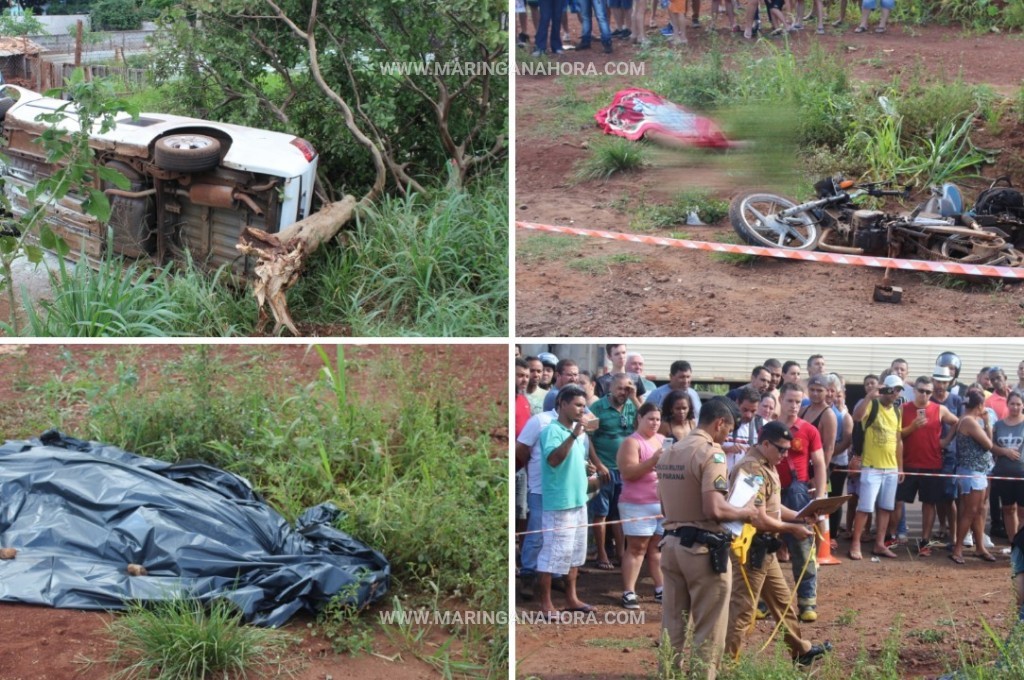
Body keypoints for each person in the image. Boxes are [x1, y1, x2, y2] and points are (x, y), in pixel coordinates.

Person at [657, 397, 758, 680]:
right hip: (702, 550)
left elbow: (665, 507)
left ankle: (668, 675)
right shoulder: (711, 454)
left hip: (671, 544)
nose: (728, 436)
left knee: (673, 623)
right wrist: (745, 511)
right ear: (719, 423)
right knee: (709, 627)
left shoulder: (669, 451)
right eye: (729, 430)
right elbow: (713, 508)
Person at [724, 421, 832, 667]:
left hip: (765, 548)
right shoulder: (750, 469)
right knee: (743, 610)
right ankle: (725, 666)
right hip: (750, 549)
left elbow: (772, 507)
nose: (785, 455)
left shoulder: (766, 464)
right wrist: (792, 528)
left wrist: (800, 515)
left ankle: (800, 651)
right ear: (764, 444)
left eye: (787, 450)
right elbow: (757, 518)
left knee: (783, 603)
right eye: (781, 449)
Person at [536, 387, 596, 616]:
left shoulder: (577, 433)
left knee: (575, 553)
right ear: (561, 404)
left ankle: (572, 598)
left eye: (584, 405)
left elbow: (570, 460)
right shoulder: (552, 431)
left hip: (579, 500)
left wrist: (585, 466)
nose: (582, 409)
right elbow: (553, 460)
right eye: (578, 405)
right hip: (559, 502)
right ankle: (546, 604)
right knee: (553, 553)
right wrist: (573, 435)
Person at [776, 381, 826, 622]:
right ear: (780, 400)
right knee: (764, 549)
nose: (794, 406)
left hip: (798, 494)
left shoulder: (809, 430)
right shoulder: (768, 428)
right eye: (790, 401)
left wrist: (820, 497)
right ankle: (764, 603)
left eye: (798, 402)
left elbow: (819, 463)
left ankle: (807, 603)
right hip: (771, 492)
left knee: (803, 548)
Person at [897, 376, 958, 556]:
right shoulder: (903, 408)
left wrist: (946, 441)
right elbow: (896, 434)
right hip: (907, 463)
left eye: (928, 392)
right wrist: (913, 427)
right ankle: (892, 536)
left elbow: (957, 422)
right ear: (914, 390)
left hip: (932, 464)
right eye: (921, 390)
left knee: (929, 503)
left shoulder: (940, 409)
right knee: (898, 502)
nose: (924, 394)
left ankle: (924, 540)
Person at [849, 374, 904, 561]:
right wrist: (869, 397)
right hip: (871, 466)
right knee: (864, 507)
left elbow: (898, 441)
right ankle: (855, 543)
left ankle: (880, 544)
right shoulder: (872, 405)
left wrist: (900, 467)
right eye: (892, 389)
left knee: (886, 507)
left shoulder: (897, 411)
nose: (895, 393)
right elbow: (856, 417)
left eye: (898, 390)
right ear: (884, 389)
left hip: (891, 468)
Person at [617, 402, 666, 609]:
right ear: (640, 418)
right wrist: (653, 462)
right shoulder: (631, 442)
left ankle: (661, 588)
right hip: (636, 503)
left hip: (660, 503)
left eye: (657, 419)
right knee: (637, 548)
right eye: (650, 419)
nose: (654, 423)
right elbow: (627, 473)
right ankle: (629, 591)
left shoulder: (662, 440)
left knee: (657, 548)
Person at [589, 374, 638, 571]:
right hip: (604, 470)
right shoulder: (597, 408)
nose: (623, 392)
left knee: (620, 513)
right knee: (601, 513)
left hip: (625, 470)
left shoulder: (632, 406)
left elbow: (650, 420)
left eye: (627, 389)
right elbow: (588, 439)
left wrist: (634, 398)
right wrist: (599, 465)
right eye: (620, 388)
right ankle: (601, 553)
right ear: (610, 388)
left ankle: (620, 553)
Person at [950, 389, 996, 565]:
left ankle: (979, 548)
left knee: (976, 512)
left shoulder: (964, 419)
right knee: (970, 512)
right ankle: (958, 549)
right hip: (973, 472)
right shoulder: (971, 421)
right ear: (980, 405)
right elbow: (989, 444)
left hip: (974, 471)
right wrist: (988, 423)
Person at [991, 392, 1024, 543]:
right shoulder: (998, 425)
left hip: (1022, 474)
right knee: (1008, 508)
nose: (1015, 407)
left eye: (1018, 404)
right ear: (1007, 404)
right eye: (1012, 404)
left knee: (1022, 511)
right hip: (1003, 473)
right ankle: (1013, 543)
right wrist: (1005, 451)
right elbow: (991, 446)